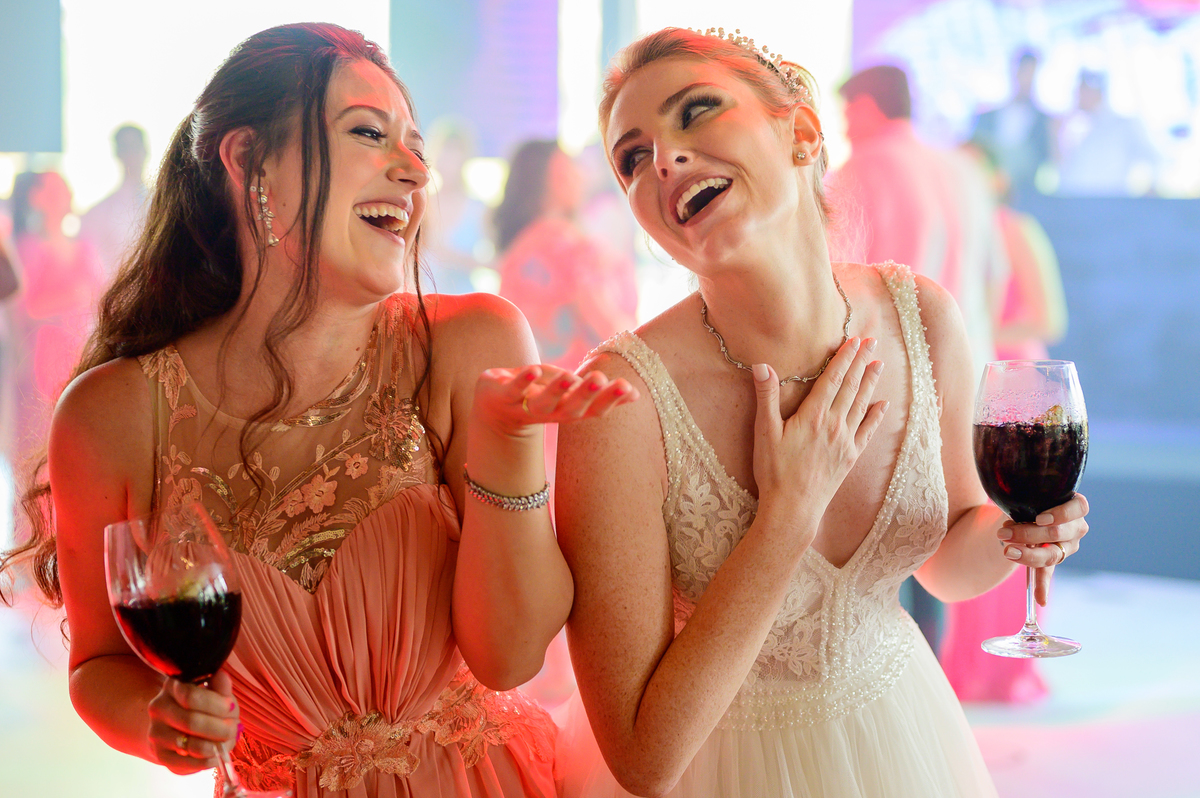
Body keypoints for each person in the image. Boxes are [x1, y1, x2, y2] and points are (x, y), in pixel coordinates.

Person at [0, 23, 637, 797]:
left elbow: (510, 657)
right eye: (369, 133)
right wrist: (154, 722)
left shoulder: (469, 341)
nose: (415, 172)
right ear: (248, 159)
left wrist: (509, 443)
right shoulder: (111, 415)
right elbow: (98, 665)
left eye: (417, 150)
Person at [544, 27, 1090, 797]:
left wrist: (1015, 535)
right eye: (632, 158)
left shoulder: (922, 318)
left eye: (695, 112)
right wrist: (785, 518)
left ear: (801, 131)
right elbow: (643, 761)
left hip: (899, 738)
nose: (661, 159)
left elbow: (947, 566)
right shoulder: (618, 403)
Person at [494, 140, 638, 371]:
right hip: (584, 382)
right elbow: (612, 329)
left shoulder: (516, 253)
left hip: (535, 384)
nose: (582, 176)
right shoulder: (570, 248)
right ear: (558, 178)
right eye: (573, 167)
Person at [8, 170, 106, 470]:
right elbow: (21, 307)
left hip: (79, 355)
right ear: (37, 198)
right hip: (40, 360)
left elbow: (103, 298)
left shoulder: (85, 246)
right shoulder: (27, 247)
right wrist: (71, 296)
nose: (66, 194)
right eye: (57, 188)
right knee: (41, 448)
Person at [1055, 70, 1158, 196]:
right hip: (1073, 202)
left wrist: (1150, 193)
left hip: (1110, 202)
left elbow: (1155, 159)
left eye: (1082, 90)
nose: (1077, 95)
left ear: (1095, 92)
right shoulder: (1073, 128)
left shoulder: (1123, 125)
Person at [969, 49, 1053, 204]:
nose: (1027, 80)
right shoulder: (986, 116)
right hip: (987, 190)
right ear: (1015, 73)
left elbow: (1048, 162)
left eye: (1032, 74)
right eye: (1024, 73)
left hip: (1023, 197)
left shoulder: (1045, 122)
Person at [80, 124, 150, 278]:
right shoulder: (98, 214)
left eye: (135, 147)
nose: (132, 155)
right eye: (126, 148)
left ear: (145, 151)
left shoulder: (163, 205)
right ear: (118, 154)